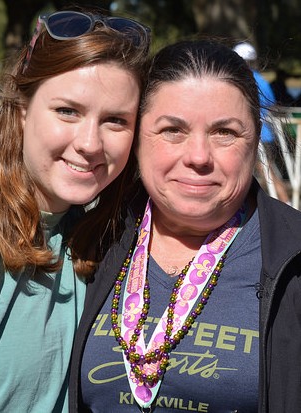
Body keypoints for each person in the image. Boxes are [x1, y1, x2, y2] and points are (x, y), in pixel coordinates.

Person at [69, 39, 301, 412]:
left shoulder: (294, 259)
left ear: (255, 138)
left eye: (224, 132)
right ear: (137, 138)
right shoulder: (88, 239)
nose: (198, 157)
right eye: (172, 130)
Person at [0, 8, 150, 412]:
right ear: (22, 108)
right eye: (67, 111)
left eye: (115, 120)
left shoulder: (98, 226)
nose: (90, 143)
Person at [233, 41, 290, 204]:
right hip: (265, 134)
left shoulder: (241, 79)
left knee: (266, 172)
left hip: (256, 135)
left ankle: (284, 203)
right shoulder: (261, 79)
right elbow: (271, 104)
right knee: (264, 172)